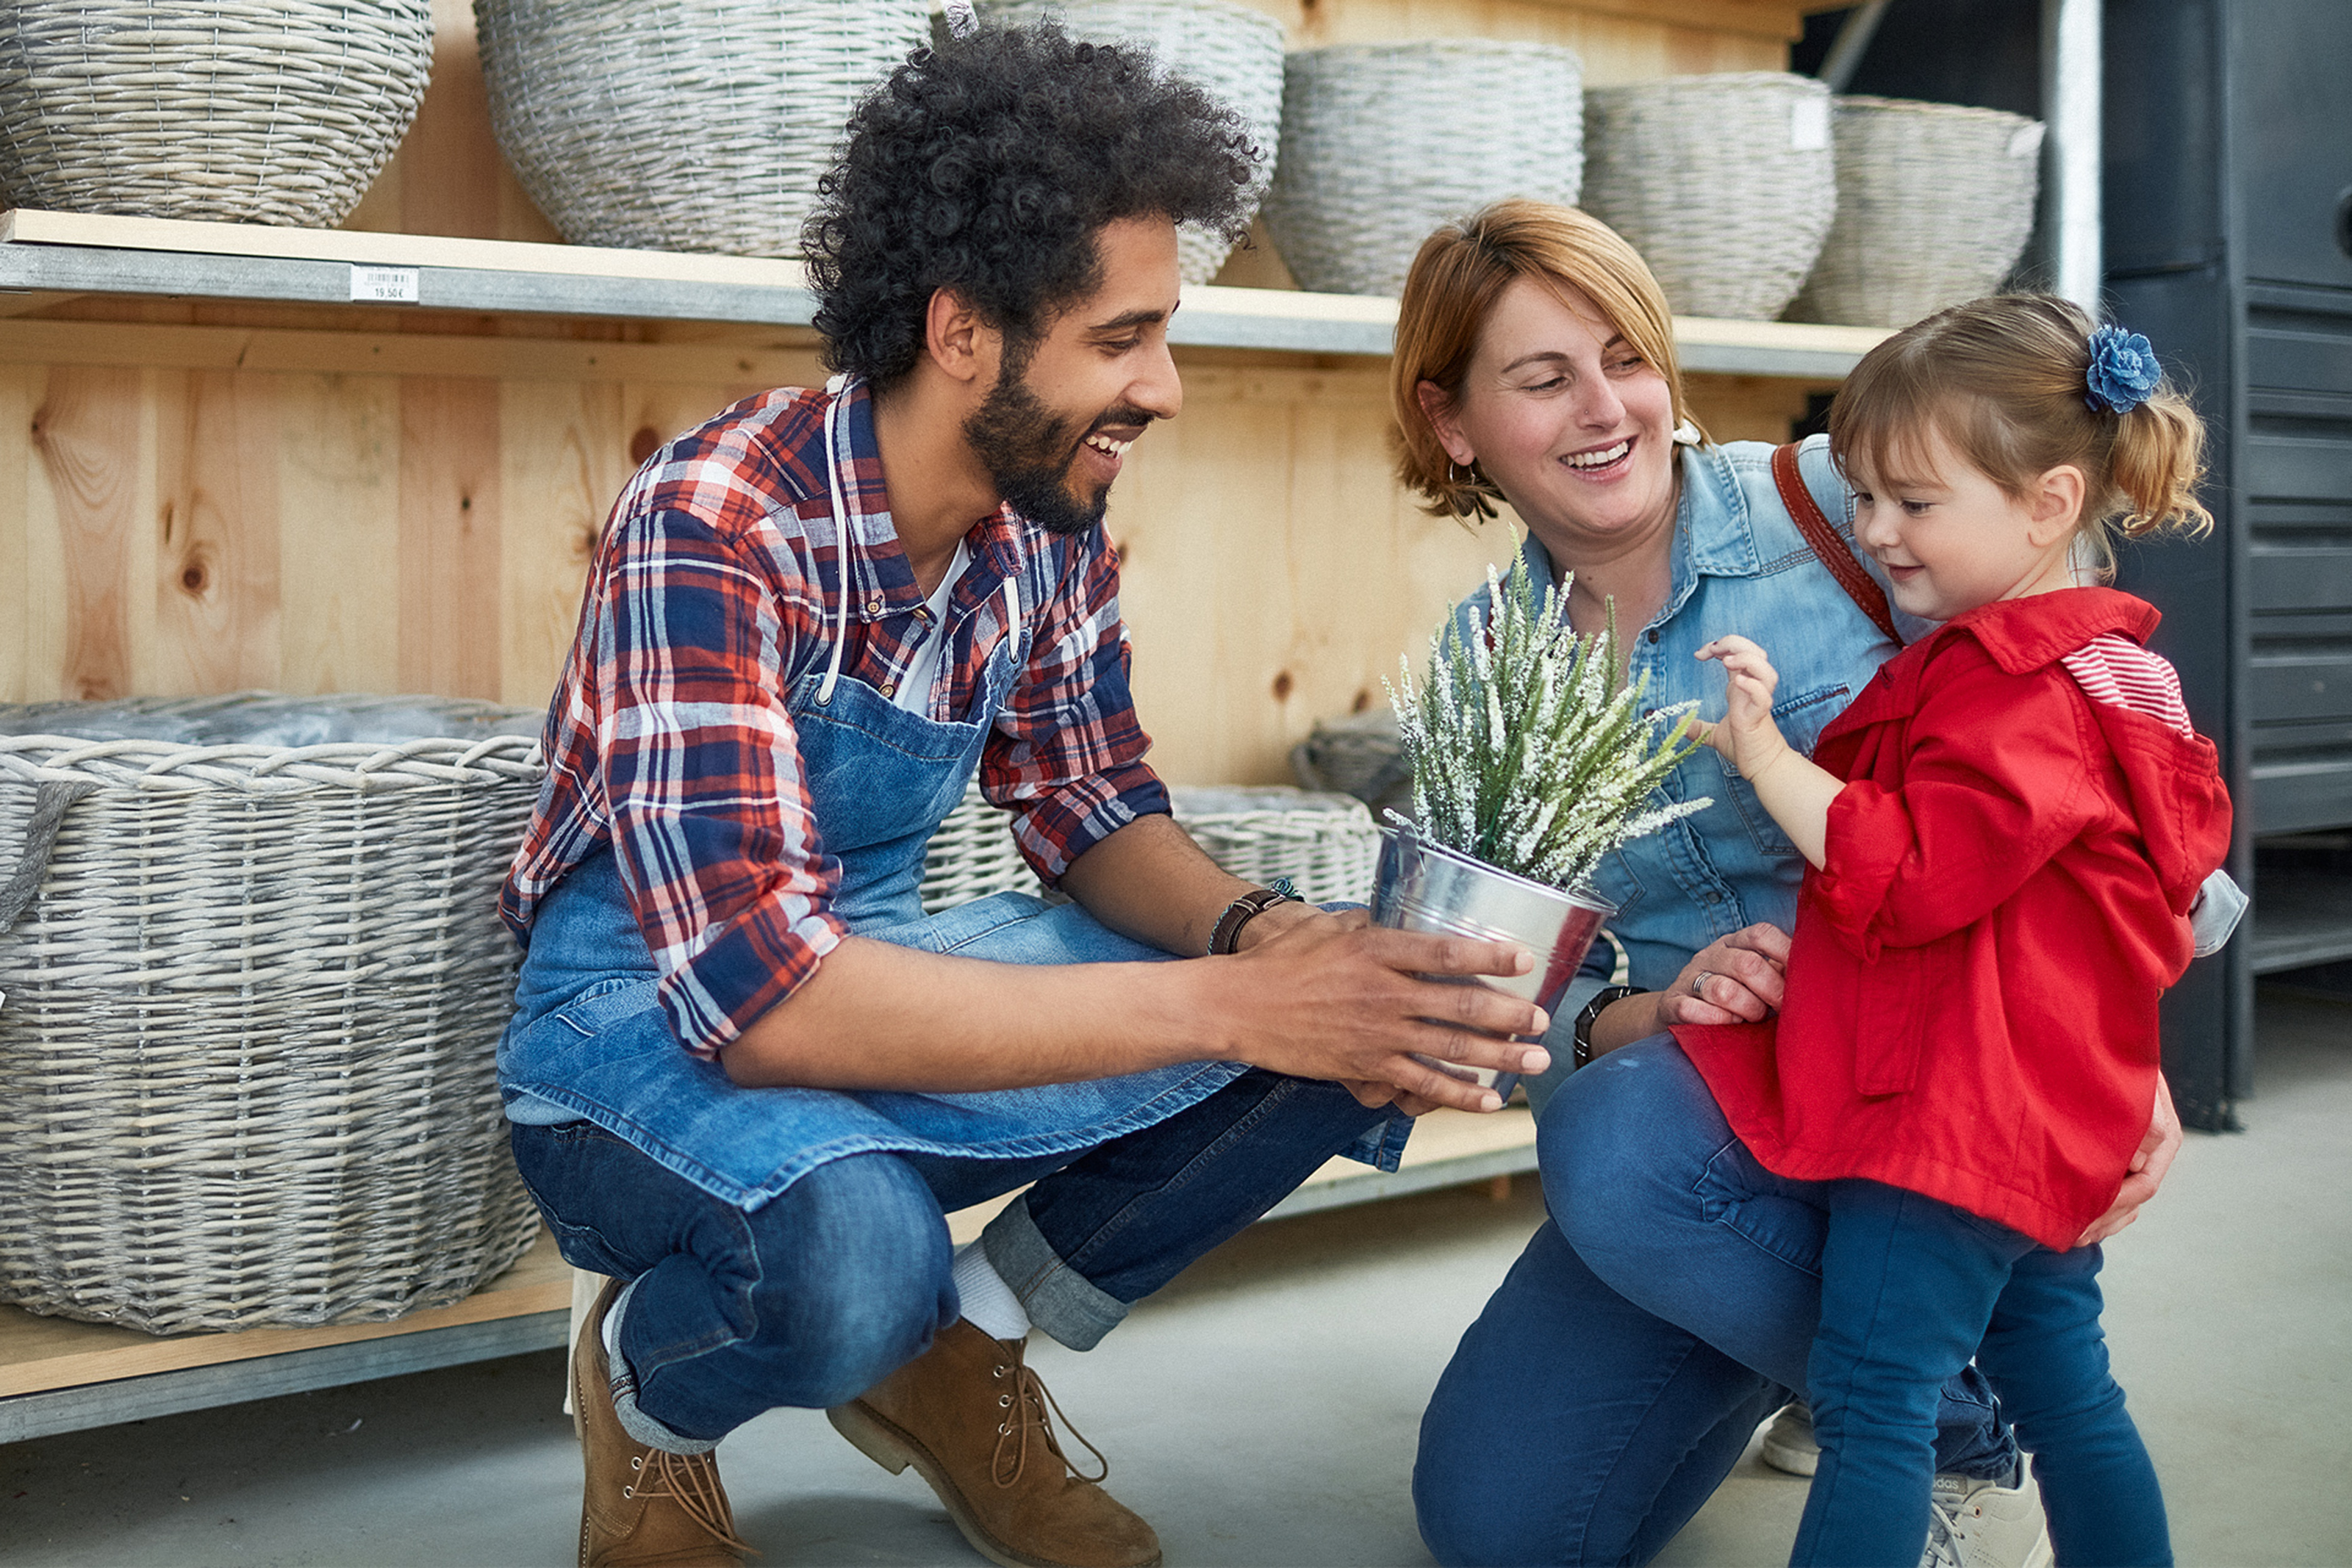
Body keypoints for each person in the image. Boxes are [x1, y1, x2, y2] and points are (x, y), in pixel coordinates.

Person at [494, 27, 1554, 1568]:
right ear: (964, 333)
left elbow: (1089, 808)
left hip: (882, 980)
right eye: (1122, 339)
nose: (1164, 388)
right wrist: (1229, 1007)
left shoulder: (1041, 523)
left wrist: (1265, 943)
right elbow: (761, 1001)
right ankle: (648, 1407)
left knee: (1361, 1003)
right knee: (854, 1255)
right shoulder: (715, 521)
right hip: (634, 1033)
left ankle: (961, 1349)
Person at [1396, 201, 2184, 1568]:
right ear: (1453, 422)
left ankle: (1931, 1413)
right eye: (1543, 378)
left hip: (1935, 1085)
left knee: (1618, 1143)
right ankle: (1813, 1344)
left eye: (1626, 356)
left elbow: (2100, 738)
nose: (1608, 407)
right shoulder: (1486, 665)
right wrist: (1644, 1013)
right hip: (1714, 1151)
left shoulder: (1851, 499)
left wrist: (2127, 1035)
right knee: (1502, 1528)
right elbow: (1504, 988)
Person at [1683, 296, 2225, 1566]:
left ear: (2048, 502)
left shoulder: (2010, 691)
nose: (1875, 531)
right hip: (2047, 1113)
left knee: (1877, 1406)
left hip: (1949, 1117)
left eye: (1913, 502)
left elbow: (1910, 863)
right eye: (1865, 495)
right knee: (2068, 1391)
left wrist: (1764, 753)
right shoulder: (2118, 674)